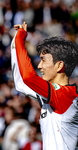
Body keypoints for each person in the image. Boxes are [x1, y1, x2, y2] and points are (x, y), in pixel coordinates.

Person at [11, 22, 78, 150]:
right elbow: (20, 83)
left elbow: (28, 77)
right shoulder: (52, 96)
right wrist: (16, 40)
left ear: (59, 65)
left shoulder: (65, 95)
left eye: (43, 60)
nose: (39, 66)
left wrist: (21, 38)